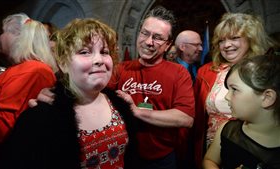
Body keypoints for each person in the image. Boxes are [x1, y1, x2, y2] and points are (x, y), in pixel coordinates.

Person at [29, 6, 195, 169]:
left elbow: (185, 118)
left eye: (158, 37)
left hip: (161, 159)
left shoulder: (178, 72)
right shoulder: (121, 69)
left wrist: (137, 111)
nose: (149, 42)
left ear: (168, 44)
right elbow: (88, 92)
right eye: (145, 33)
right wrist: (57, 94)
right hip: (125, 152)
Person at [2, 18, 139, 169]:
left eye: (104, 52)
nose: (99, 59)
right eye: (85, 52)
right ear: (63, 63)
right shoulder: (40, 117)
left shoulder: (119, 103)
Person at [192, 13, 276, 169]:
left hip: (254, 152)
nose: (226, 45)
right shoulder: (207, 71)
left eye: (234, 38)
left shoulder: (268, 72)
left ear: (251, 39)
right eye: (222, 40)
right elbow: (197, 118)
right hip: (211, 150)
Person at [0, 13, 57, 169]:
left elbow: (1, 125)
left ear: (18, 36)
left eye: (3, 32)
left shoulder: (32, 69)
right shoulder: (12, 70)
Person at [203, 53, 280, 169]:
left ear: (267, 97)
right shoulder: (227, 130)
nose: (227, 97)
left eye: (234, 89)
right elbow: (209, 160)